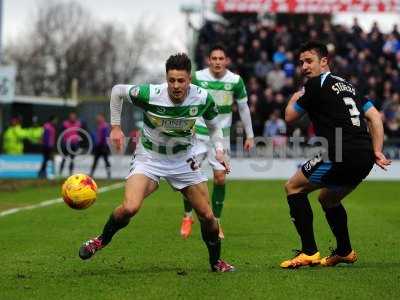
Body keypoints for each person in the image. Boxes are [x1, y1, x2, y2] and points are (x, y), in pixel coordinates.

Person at [78, 53, 235, 272]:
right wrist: (115, 127)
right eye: (171, 80)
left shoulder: (202, 98)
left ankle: (216, 262)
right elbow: (117, 91)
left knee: (208, 216)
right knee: (130, 208)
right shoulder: (152, 93)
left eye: (181, 80)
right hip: (149, 157)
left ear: (189, 79)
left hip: (182, 159)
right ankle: (100, 240)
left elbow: (215, 126)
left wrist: (219, 150)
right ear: (166, 78)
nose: (176, 86)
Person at [281, 41, 391, 268]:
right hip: (364, 157)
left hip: (341, 153)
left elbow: (290, 117)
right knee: (327, 199)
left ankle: (309, 252)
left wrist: (295, 96)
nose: (304, 66)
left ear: (324, 62)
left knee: (293, 187)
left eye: (309, 61)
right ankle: (344, 251)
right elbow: (375, 117)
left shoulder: (314, 86)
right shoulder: (350, 86)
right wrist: (377, 150)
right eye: (301, 62)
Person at [180, 44, 254, 239]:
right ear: (209, 61)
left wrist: (250, 135)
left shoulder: (235, 81)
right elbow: (184, 101)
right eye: (214, 58)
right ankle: (187, 216)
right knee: (189, 176)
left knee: (220, 178)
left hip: (221, 138)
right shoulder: (197, 77)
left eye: (221, 59)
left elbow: (244, 108)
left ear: (226, 61)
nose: (218, 62)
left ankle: (217, 222)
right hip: (197, 135)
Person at [59, 112, 81, 176]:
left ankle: (70, 174)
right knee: (64, 159)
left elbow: (81, 133)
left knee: (72, 160)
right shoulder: (65, 124)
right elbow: (60, 133)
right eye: (71, 117)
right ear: (69, 117)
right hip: (66, 144)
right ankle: (60, 173)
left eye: (74, 117)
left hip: (74, 144)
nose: (72, 118)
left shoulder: (78, 123)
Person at [90, 113, 111, 179]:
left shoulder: (105, 126)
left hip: (103, 146)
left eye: (100, 117)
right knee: (95, 161)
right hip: (98, 147)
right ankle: (91, 174)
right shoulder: (99, 126)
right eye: (98, 118)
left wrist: (104, 145)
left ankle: (109, 174)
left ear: (103, 118)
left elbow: (105, 137)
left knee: (106, 161)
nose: (98, 119)